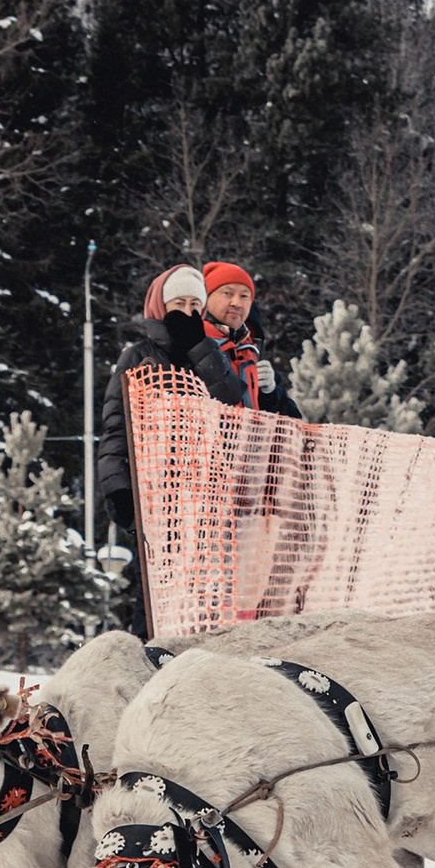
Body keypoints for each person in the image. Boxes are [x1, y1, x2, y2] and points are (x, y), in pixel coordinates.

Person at [93, 264, 255, 635]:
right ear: (161, 306)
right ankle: (144, 667)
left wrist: (199, 347)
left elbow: (232, 398)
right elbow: (116, 425)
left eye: (195, 304)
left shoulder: (207, 354)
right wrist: (117, 489)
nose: (187, 311)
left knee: (201, 597)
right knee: (153, 598)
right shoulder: (138, 355)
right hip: (154, 496)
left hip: (205, 500)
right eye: (178, 302)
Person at [200, 261, 303, 424]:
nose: (236, 303)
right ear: (206, 299)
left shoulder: (252, 353)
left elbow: (294, 423)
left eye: (244, 296)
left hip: (249, 448)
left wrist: (271, 393)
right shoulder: (188, 345)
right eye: (227, 293)